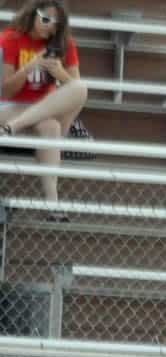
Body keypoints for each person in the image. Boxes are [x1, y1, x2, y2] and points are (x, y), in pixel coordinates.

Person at [0, 1, 89, 219]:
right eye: (46, 19)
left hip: (43, 109)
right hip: (11, 106)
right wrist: (30, 68)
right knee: (51, 127)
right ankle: (54, 204)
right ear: (33, 14)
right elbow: (5, 89)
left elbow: (76, 91)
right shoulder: (11, 38)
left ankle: (52, 205)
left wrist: (59, 74)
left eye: (56, 24)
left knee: (79, 89)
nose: (50, 27)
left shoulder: (64, 43)